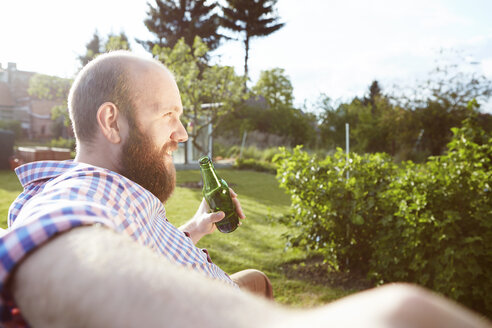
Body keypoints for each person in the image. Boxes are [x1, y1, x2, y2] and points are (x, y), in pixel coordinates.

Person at [0, 51, 490, 328]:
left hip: (212, 279)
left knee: (256, 277)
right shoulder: (80, 191)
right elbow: (51, 241)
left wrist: (191, 229)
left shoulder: (120, 192)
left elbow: (127, 238)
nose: (183, 133)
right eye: (169, 115)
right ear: (112, 122)